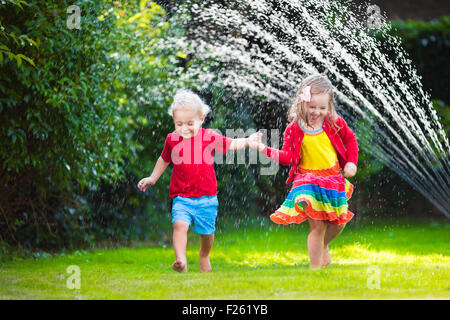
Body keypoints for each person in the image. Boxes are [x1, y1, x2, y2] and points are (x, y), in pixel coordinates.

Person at [138, 89, 261, 273]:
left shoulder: (209, 136)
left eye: (189, 123)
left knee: (207, 234)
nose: (184, 128)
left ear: (201, 119)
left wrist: (248, 141)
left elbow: (230, 144)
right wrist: (152, 178)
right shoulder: (172, 139)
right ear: (173, 120)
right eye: (179, 123)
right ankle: (181, 260)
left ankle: (204, 255)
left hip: (207, 198)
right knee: (179, 225)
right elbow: (164, 159)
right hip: (182, 197)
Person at [250, 74, 359, 269]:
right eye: (312, 107)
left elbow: (350, 140)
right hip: (307, 180)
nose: (317, 112)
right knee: (317, 226)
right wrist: (262, 149)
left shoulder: (335, 122)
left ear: (329, 106)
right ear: (302, 103)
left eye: (322, 108)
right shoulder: (294, 128)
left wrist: (351, 163)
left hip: (332, 179)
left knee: (339, 223)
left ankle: (323, 246)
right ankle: (315, 268)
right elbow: (287, 157)